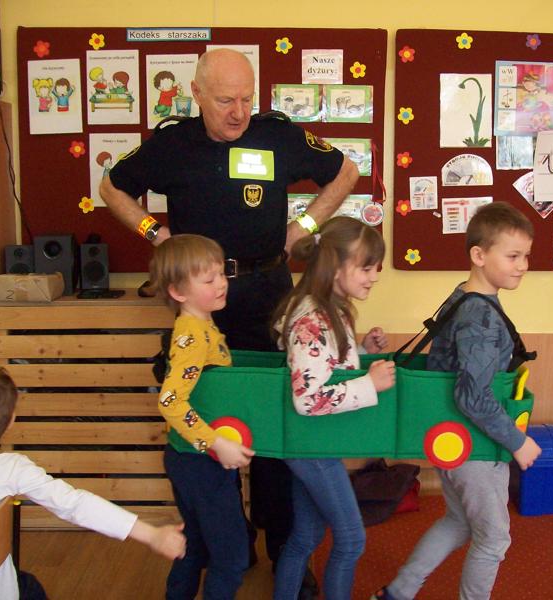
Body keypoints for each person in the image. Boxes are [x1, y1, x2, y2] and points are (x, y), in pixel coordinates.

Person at [100, 47, 359, 597]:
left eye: (246, 98)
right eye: (224, 101)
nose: (238, 111)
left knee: (276, 421)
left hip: (268, 294)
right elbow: (111, 186)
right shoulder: (173, 144)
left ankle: (286, 550)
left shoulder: (276, 135)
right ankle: (228, 538)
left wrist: (305, 226)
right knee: (209, 413)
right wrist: (155, 234)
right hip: (200, 306)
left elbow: (346, 171)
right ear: (196, 95)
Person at [372, 202, 542, 600]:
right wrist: (517, 441)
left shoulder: (464, 296)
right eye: (513, 256)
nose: (523, 266)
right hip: (475, 446)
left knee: (459, 521)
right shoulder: (481, 318)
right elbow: (473, 396)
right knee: (494, 538)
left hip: (452, 438)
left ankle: (399, 591)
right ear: (479, 256)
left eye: (526, 256)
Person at [0, 363, 186, 600]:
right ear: (10, 422)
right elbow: (76, 504)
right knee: (30, 586)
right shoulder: (13, 469)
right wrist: (152, 534)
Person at [272, 217, 395, 600]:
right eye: (366, 267)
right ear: (335, 266)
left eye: (376, 267)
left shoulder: (329, 309)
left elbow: (325, 364)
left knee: (305, 536)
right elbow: (308, 398)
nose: (375, 276)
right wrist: (369, 384)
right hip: (313, 446)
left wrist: (362, 352)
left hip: (314, 442)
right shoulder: (312, 318)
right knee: (351, 539)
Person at [149, 234, 255, 600]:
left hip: (188, 458)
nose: (221, 283)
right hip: (200, 462)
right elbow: (170, 401)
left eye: (222, 273)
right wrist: (215, 443)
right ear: (178, 291)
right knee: (232, 556)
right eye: (209, 279)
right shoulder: (193, 336)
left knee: (194, 544)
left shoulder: (201, 326)